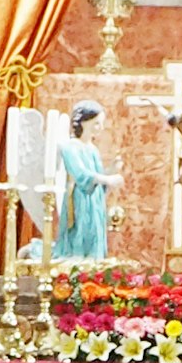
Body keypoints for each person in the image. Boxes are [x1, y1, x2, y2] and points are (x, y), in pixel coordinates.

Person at [54, 99, 115, 259]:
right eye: (96, 123)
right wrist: (106, 179)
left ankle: (94, 262)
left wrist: (111, 171)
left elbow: (98, 175)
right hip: (79, 197)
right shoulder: (70, 147)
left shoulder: (92, 149)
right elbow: (81, 174)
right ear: (84, 123)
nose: (100, 128)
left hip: (94, 198)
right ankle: (78, 263)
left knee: (95, 229)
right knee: (81, 231)